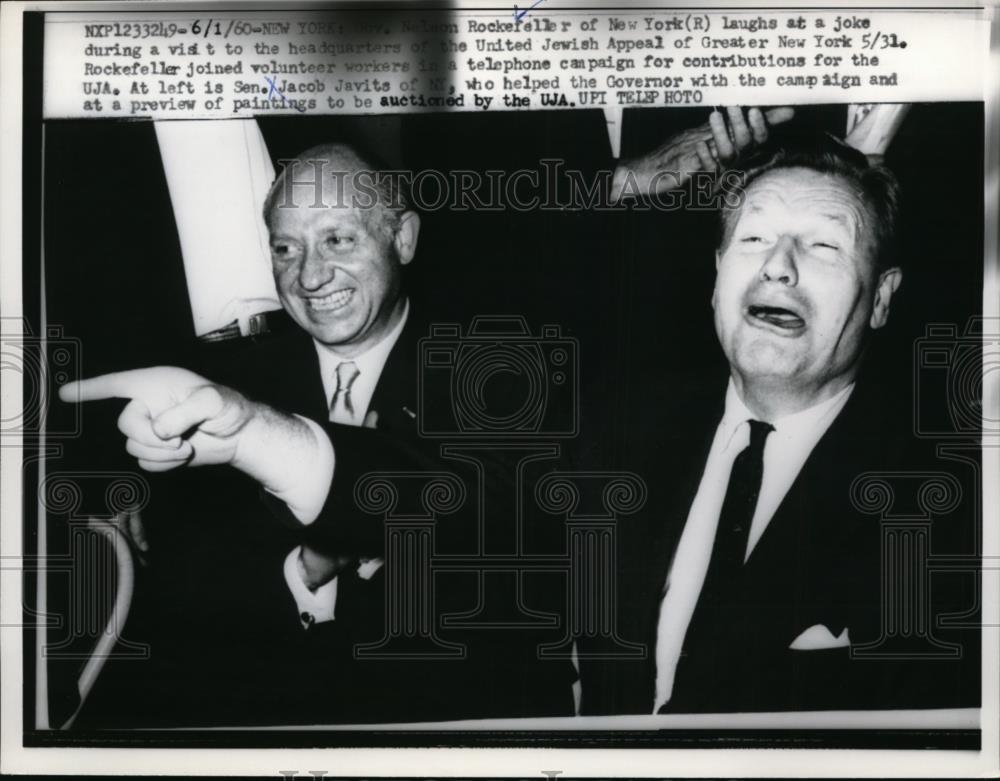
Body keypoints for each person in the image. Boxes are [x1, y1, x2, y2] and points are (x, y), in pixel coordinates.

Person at [577, 131, 979, 715]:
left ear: (883, 298)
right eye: (755, 237)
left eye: (823, 246)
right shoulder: (610, 437)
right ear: (717, 276)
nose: (778, 267)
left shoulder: (947, 513)